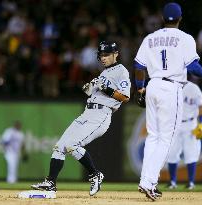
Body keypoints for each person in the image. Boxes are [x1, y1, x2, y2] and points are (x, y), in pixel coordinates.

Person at [134, 2, 202, 201]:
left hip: (152, 85)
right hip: (171, 88)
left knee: (153, 136)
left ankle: (145, 181)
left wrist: (140, 87)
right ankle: (150, 183)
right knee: (166, 139)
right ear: (180, 18)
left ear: (163, 18)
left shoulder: (150, 38)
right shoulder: (185, 38)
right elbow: (193, 67)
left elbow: (138, 65)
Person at [31, 41, 131, 196]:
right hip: (87, 113)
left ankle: (95, 174)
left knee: (72, 145)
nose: (103, 58)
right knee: (60, 146)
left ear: (115, 54)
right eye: (101, 55)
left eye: (107, 54)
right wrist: (91, 86)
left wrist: (106, 88)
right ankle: (50, 182)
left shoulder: (121, 71)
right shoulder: (104, 73)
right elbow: (90, 91)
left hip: (101, 115)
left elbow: (125, 97)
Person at [167, 80, 202, 190]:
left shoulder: (193, 88)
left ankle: (191, 182)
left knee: (191, 153)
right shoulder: (170, 86)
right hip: (174, 125)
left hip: (190, 125)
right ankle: (172, 182)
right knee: (171, 153)